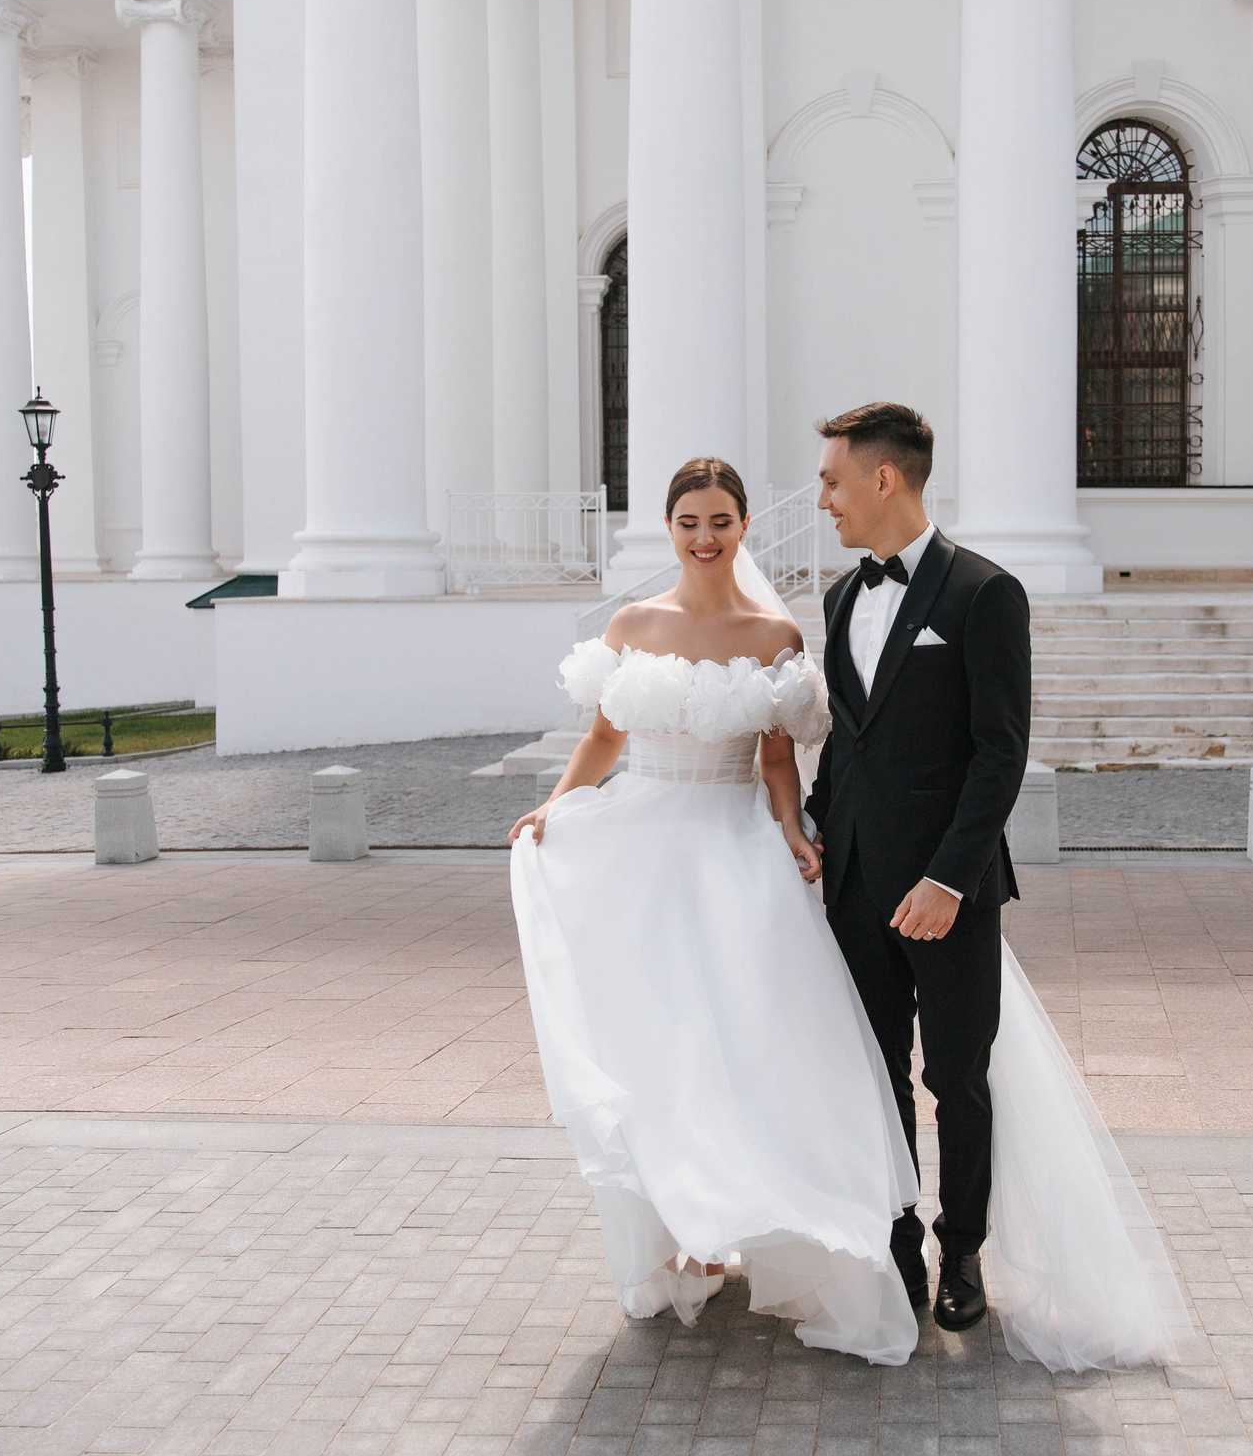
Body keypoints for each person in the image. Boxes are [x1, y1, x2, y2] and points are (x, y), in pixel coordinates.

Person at [508, 449, 1188, 1372]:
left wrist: (838, 842)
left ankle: (961, 1255)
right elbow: (618, 735)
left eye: (722, 520)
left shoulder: (954, 598)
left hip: (890, 875)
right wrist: (557, 806)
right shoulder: (800, 604)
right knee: (745, 1057)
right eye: (688, 522)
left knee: (950, 1073)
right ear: (667, 528)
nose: (821, 496)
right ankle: (866, 1243)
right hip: (738, 865)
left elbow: (972, 752)